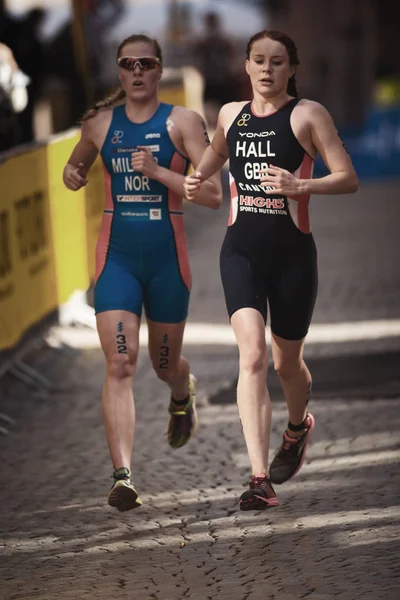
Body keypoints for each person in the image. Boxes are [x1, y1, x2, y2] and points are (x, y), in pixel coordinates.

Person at [184, 30, 358, 511]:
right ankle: (259, 478)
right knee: (254, 357)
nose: (266, 69)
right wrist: (194, 177)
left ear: (291, 69)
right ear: (245, 66)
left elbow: (348, 178)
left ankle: (298, 426)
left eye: (277, 62)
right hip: (239, 252)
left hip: (293, 258)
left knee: (286, 364)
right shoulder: (230, 115)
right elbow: (211, 160)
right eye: (258, 60)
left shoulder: (308, 115)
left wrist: (301, 186)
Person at [63, 34, 222, 512]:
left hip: (167, 262)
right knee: (120, 362)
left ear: (158, 70)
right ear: (118, 71)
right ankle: (123, 477)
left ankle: (182, 390)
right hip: (117, 261)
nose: (137, 71)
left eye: (146, 63)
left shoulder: (182, 122)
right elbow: (75, 166)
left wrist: (160, 173)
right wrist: (73, 174)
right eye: (128, 63)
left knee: (163, 364)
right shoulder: (99, 124)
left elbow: (212, 193)